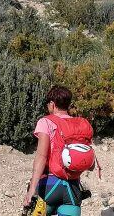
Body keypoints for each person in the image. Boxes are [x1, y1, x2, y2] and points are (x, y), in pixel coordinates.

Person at [23, 86, 95, 216]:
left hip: (49, 187)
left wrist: (31, 190)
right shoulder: (80, 124)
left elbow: (41, 156)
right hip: (73, 189)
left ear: (52, 104)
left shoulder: (46, 122)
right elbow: (91, 164)